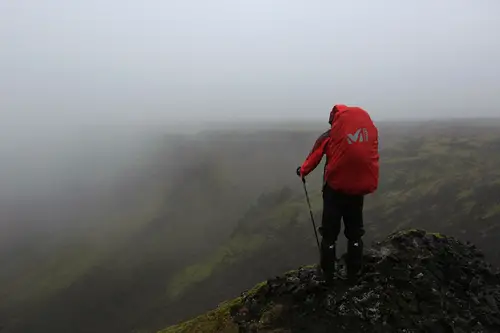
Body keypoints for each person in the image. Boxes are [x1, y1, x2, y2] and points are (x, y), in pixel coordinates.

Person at [296, 104, 379, 282]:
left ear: (334, 119)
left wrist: (302, 171)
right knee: (355, 231)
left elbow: (314, 157)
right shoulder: (364, 133)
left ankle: (327, 273)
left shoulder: (331, 135)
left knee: (329, 232)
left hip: (334, 190)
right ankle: (355, 271)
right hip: (357, 190)